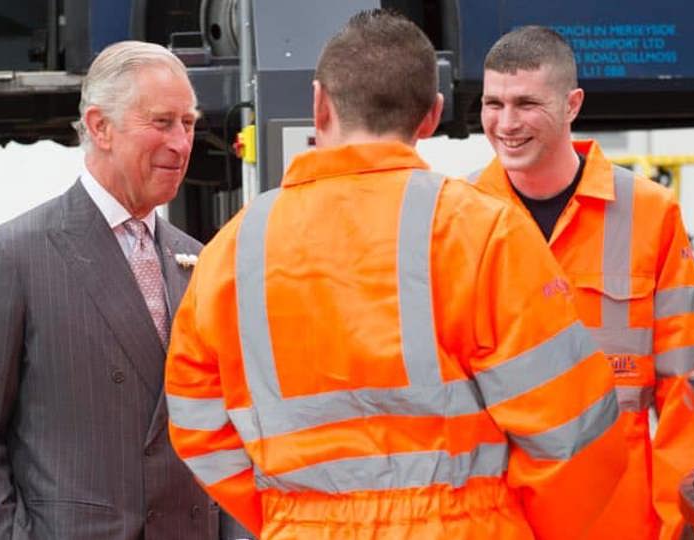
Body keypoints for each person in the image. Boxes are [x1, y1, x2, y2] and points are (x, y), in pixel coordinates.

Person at [164, 9, 627, 539]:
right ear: (431, 115)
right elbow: (575, 435)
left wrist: (295, 515)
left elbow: (198, 426)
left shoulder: (234, 248)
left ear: (318, 104)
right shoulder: (484, 233)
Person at [0, 41, 250, 540]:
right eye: (162, 122)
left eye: (188, 124)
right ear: (101, 127)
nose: (182, 143)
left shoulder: (199, 260)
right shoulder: (12, 257)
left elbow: (229, 431)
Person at [469, 25, 694, 540]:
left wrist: (680, 523)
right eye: (493, 103)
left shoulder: (649, 214)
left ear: (572, 104)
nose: (505, 123)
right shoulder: (455, 218)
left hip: (617, 524)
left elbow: (687, 391)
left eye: (526, 103)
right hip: (495, 523)